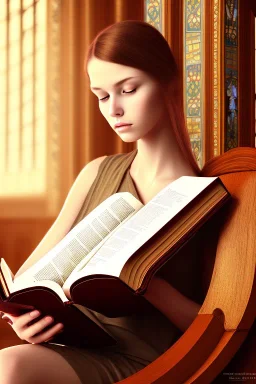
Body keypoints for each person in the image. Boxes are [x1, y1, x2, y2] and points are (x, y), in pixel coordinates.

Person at [0, 20, 203, 383]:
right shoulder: (98, 172)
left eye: (128, 89)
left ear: (168, 82)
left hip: (149, 359)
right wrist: (22, 320)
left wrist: (141, 280)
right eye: (102, 96)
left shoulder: (205, 196)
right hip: (77, 340)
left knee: (10, 367)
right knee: (9, 362)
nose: (114, 110)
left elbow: (221, 324)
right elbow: (31, 277)